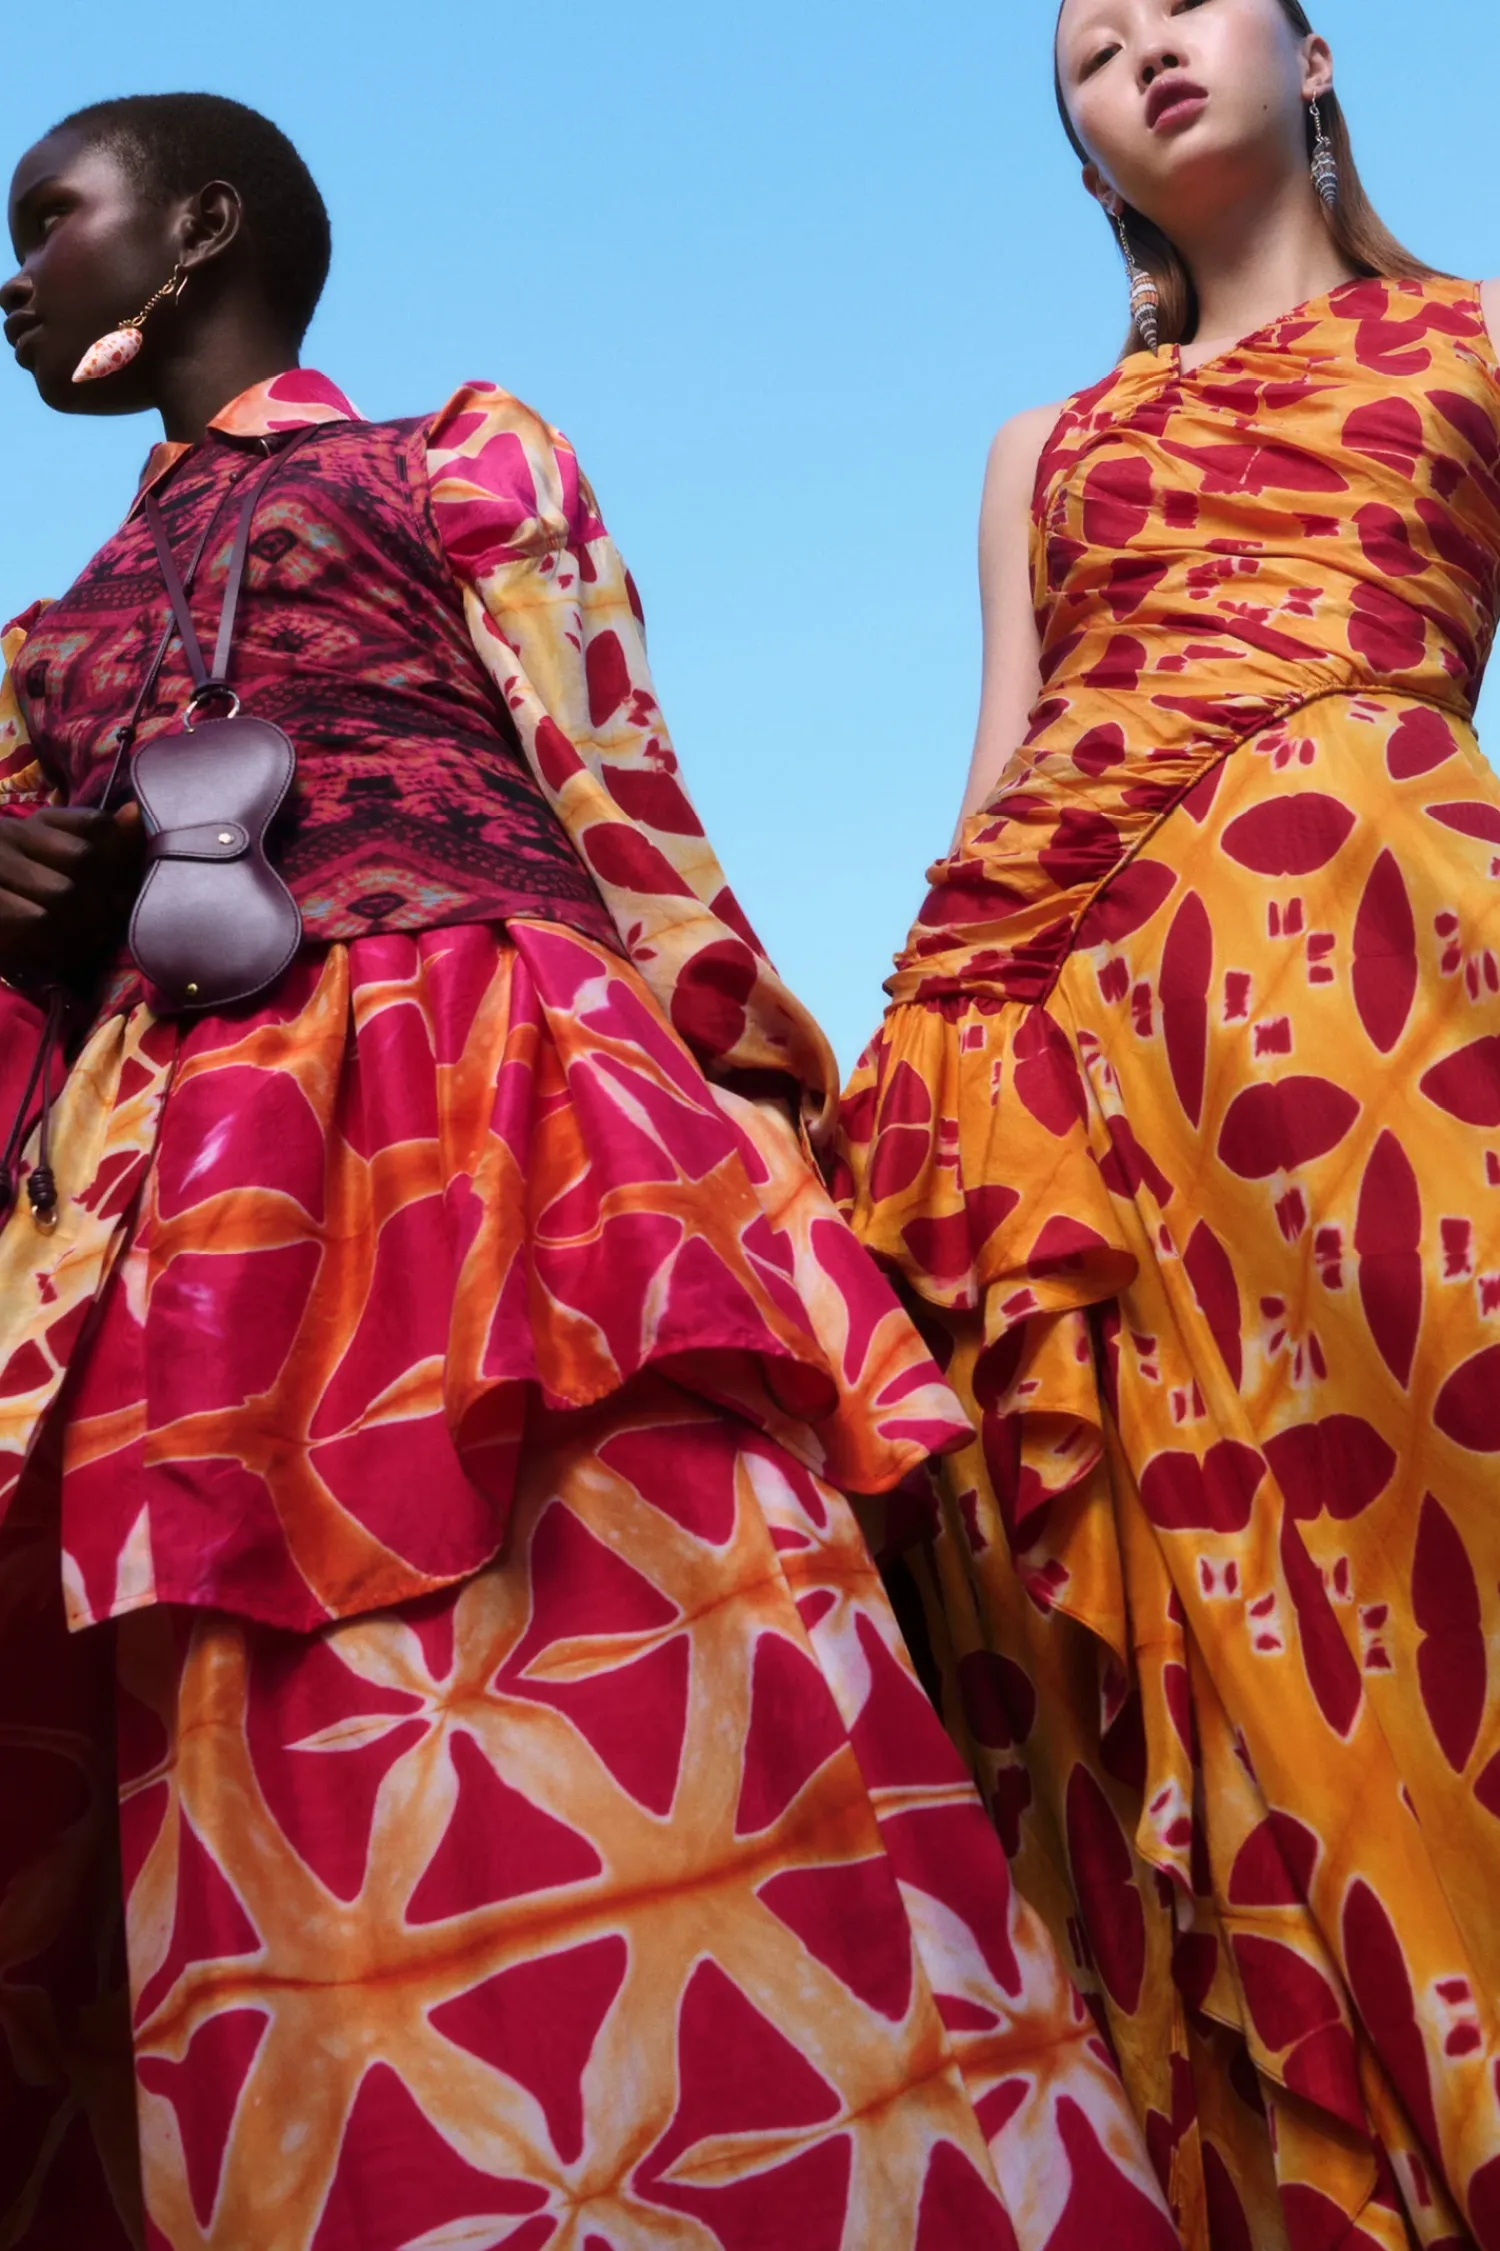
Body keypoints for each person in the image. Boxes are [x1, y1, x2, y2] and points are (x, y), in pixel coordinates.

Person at [0, 91, 1178, 2251]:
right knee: (244, 1742)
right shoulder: (46, 634)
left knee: (653, 1630)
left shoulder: (451, 460)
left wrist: (758, 1107)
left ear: (198, 229)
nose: (15, 275)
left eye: (48, 215)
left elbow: (613, 782)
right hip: (176, 1202)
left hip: (501, 1110)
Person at [835, 3, 1500, 2245]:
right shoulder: (1044, 448)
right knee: (1182, 1623)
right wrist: (906, 1095)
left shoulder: (1480, 334)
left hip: (1387, 962)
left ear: (1312, 57)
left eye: (1180, 2)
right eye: (1087, 50)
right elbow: (1000, 768)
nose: (1138, 47)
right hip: (1066, 1042)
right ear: (1090, 152)